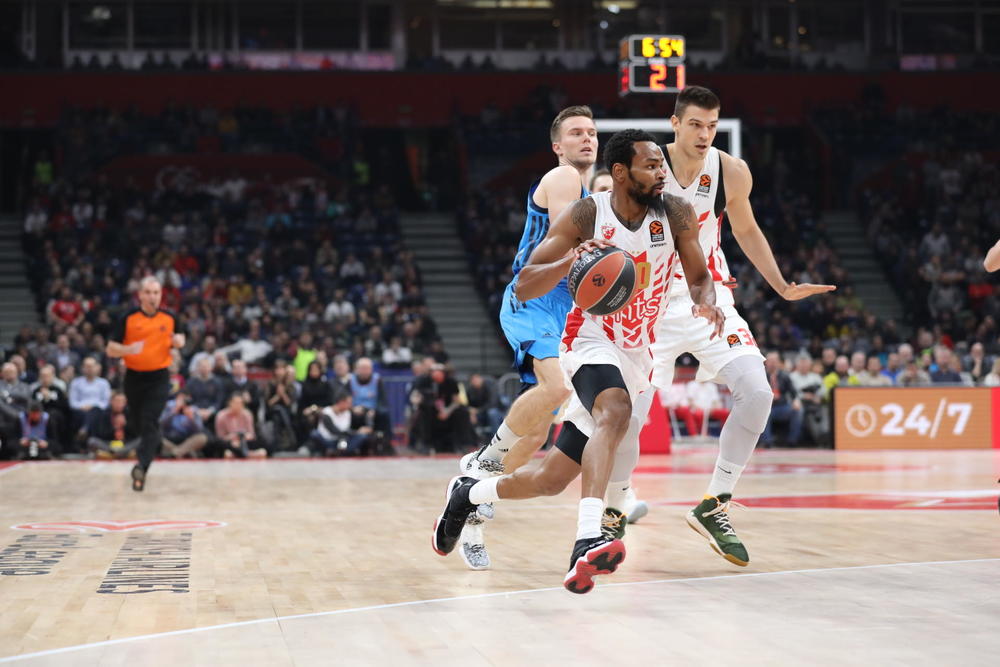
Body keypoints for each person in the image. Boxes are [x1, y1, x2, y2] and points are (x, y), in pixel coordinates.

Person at [433, 129, 723, 593]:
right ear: (621, 172)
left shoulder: (675, 212)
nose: (661, 173)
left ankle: (469, 493)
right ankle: (588, 539)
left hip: (637, 352)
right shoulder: (588, 213)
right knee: (616, 410)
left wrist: (706, 301)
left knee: (550, 479)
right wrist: (568, 262)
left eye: (662, 165)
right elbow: (525, 283)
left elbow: (699, 276)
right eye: (651, 165)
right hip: (588, 339)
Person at [621, 86, 835, 567]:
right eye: (696, 124)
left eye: (712, 126)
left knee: (757, 393)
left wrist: (782, 286)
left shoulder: (731, 171)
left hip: (709, 299)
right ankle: (615, 507)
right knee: (628, 415)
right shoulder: (645, 168)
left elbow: (746, 229)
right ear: (675, 123)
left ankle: (714, 504)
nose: (705, 134)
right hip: (650, 304)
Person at [457, 106, 646, 571]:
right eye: (576, 133)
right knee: (558, 387)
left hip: (572, 311)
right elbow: (575, 239)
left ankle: (473, 504)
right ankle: (480, 465)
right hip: (537, 297)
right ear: (558, 146)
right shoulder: (563, 178)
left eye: (592, 132)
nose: (587, 138)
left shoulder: (597, 194)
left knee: (538, 432)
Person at [106, 276, 186, 491]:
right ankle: (154, 448)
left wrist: (179, 342)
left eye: (156, 293)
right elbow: (110, 348)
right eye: (148, 292)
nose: (153, 297)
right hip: (133, 377)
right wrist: (128, 350)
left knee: (150, 420)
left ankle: (141, 467)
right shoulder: (128, 318)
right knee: (140, 425)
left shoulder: (170, 317)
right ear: (140, 295)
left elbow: (180, 338)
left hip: (159, 377)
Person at [762, 352, 802, 447]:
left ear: (779, 363)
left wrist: (796, 401)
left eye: (775, 361)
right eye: (770, 361)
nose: (772, 364)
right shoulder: (761, 376)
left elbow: (793, 392)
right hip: (767, 407)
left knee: (797, 411)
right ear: (766, 362)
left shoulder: (784, 376)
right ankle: (767, 442)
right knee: (764, 413)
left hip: (781, 406)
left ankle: (792, 441)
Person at [159, 390, 209, 458]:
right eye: (181, 398)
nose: (183, 401)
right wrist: (173, 412)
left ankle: (175, 453)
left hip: (186, 440)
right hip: (169, 439)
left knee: (202, 438)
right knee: (158, 439)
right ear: (176, 398)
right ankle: (184, 453)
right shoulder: (168, 406)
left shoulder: (193, 409)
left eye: (185, 399)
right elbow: (161, 424)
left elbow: (199, 430)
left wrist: (191, 419)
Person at [215, 393, 266, 458]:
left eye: (241, 403)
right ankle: (247, 454)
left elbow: (251, 434)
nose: (238, 405)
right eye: (236, 403)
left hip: (245, 443)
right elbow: (220, 437)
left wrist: (242, 440)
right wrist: (234, 437)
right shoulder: (221, 416)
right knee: (222, 446)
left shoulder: (247, 414)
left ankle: (243, 453)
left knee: (261, 443)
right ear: (230, 403)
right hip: (230, 443)